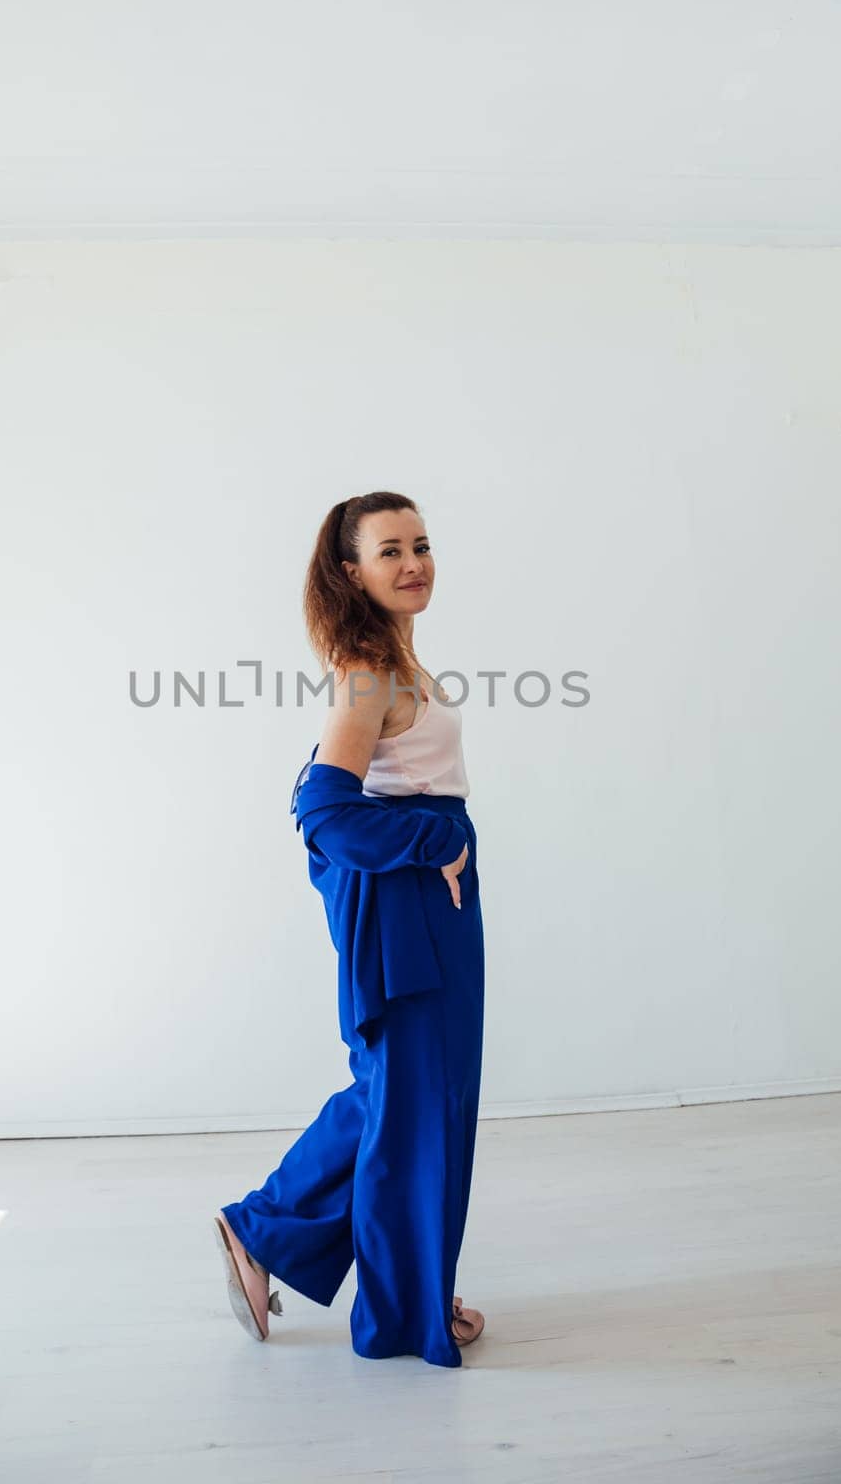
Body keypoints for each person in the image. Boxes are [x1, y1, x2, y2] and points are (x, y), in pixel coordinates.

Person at [214, 491, 486, 1368]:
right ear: (349, 571)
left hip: (428, 897)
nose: (413, 564)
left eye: (421, 545)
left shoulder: (393, 653)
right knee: (413, 1102)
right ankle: (406, 1311)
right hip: (409, 904)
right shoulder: (366, 671)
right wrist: (431, 837)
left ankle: (269, 1232)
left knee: (403, 1096)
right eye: (389, 551)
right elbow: (322, 808)